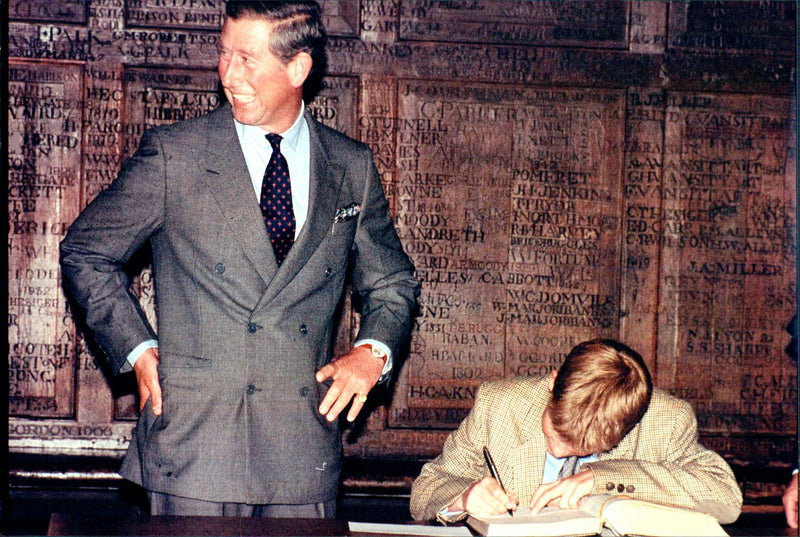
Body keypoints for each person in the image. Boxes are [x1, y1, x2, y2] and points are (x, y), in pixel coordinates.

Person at [60, 0, 419, 518]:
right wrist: (137, 349)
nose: (228, 74)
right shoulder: (175, 155)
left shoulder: (350, 166)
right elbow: (86, 252)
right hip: (193, 450)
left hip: (301, 455)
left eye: (247, 59)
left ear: (298, 68)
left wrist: (373, 352)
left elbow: (392, 283)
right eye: (224, 54)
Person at [410, 339, 743, 525]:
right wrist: (464, 498)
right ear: (553, 383)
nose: (559, 453)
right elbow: (425, 490)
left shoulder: (666, 420)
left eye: (583, 449)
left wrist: (603, 475)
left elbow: (727, 498)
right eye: (556, 430)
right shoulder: (500, 405)